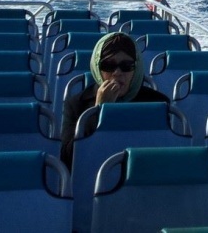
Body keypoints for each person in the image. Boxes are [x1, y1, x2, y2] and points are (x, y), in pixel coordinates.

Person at [59, 31, 169, 168]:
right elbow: (67, 159)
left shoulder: (157, 104)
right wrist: (97, 112)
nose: (117, 73)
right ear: (98, 68)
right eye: (108, 66)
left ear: (136, 69)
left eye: (126, 66)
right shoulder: (77, 105)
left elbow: (166, 156)